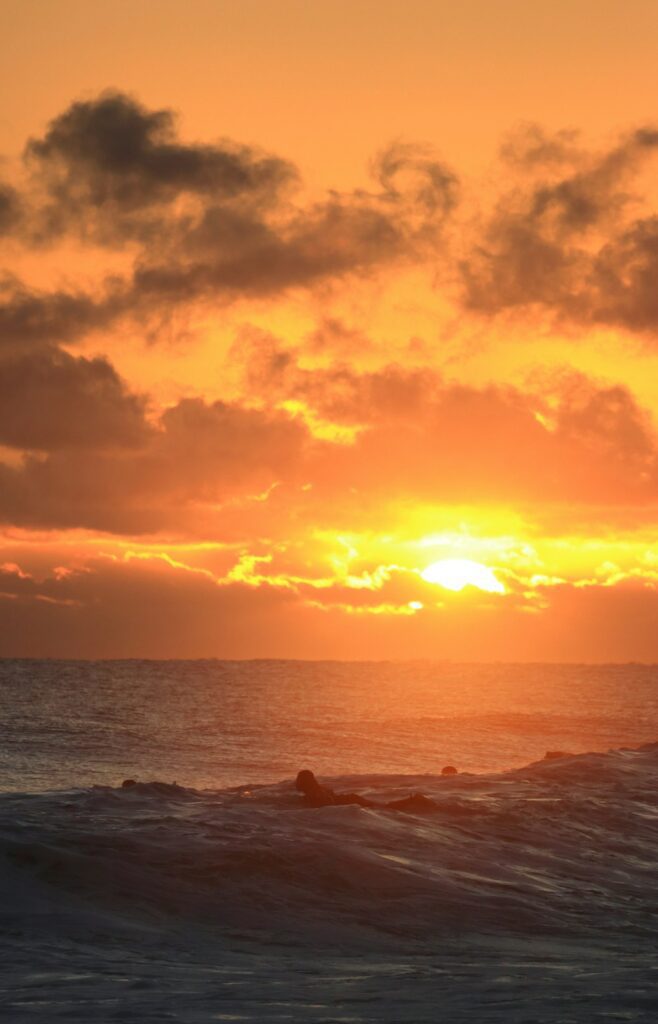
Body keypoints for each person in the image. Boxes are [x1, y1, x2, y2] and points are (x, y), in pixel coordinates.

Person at [295, 770, 437, 813]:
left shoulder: (315, 793)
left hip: (350, 801)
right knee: (384, 807)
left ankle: (413, 800)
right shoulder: (316, 790)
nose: (297, 782)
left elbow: (329, 805)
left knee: (385, 808)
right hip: (350, 799)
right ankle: (412, 800)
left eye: (299, 779)